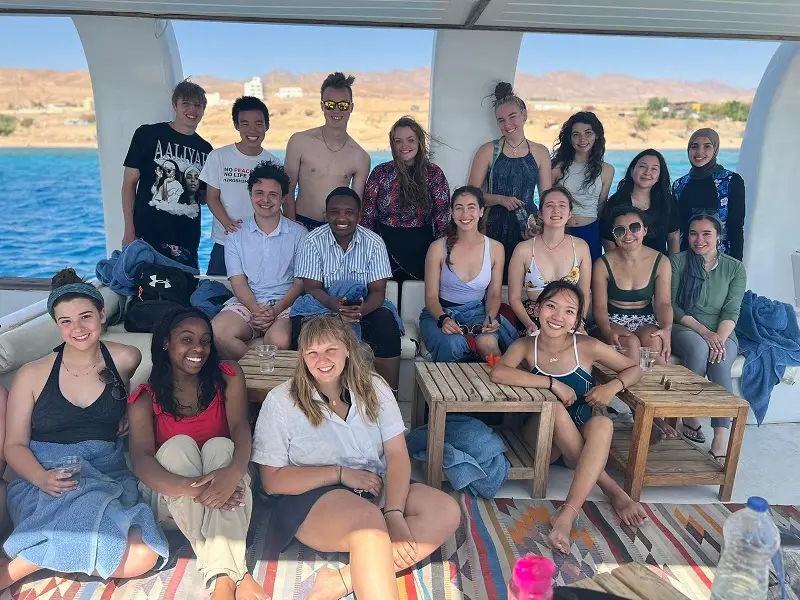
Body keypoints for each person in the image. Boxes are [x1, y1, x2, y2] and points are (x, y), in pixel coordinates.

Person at [252, 316, 461, 600]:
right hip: (313, 498)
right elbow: (272, 481)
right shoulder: (281, 401)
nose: (322, 360)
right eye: (312, 352)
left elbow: (397, 454)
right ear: (302, 357)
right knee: (370, 526)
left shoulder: (374, 387)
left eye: (331, 350)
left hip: (374, 486)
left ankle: (343, 579)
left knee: (445, 510)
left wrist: (394, 512)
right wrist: (340, 473)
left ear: (347, 349)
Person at [2, 269, 168, 590]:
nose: (77, 328)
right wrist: (42, 478)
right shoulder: (32, 375)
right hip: (44, 477)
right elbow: (14, 446)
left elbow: (132, 394)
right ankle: (25, 568)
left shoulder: (125, 358)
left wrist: (125, 410)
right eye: (66, 321)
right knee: (96, 522)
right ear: (57, 325)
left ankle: (30, 560)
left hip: (106, 474)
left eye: (85, 317)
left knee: (145, 553)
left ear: (102, 315)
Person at [490, 282, 646, 553]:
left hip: (580, 446)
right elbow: (499, 373)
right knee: (555, 408)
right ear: (537, 309)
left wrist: (612, 387)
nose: (558, 316)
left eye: (569, 311)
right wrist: (552, 384)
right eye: (551, 306)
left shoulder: (586, 346)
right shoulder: (526, 345)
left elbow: (635, 369)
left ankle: (567, 514)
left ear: (576, 320)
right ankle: (612, 490)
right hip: (544, 442)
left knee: (603, 423)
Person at [127, 307, 266, 600]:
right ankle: (237, 574)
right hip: (171, 500)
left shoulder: (228, 375)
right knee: (177, 447)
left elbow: (240, 427)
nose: (198, 349)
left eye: (205, 341)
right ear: (166, 343)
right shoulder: (145, 397)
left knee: (221, 446)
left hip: (227, 490)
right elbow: (141, 461)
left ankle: (222, 583)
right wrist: (190, 489)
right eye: (187, 340)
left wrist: (233, 473)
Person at [292, 187, 402, 392]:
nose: (342, 218)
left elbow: (378, 291)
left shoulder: (374, 243)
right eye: (335, 212)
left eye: (349, 212)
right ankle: (307, 392)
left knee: (386, 322)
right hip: (324, 304)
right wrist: (331, 304)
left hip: (364, 305)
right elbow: (312, 288)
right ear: (326, 214)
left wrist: (361, 310)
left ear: (359, 215)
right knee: (300, 324)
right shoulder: (312, 241)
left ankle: (388, 394)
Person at [211, 161, 307, 360]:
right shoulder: (235, 235)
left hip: (285, 304)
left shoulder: (299, 234)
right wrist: (255, 309)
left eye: (273, 194)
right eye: (259, 193)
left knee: (279, 340)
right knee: (218, 331)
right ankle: (258, 368)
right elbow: (238, 282)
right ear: (250, 194)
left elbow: (300, 283)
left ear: (283, 198)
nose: (265, 200)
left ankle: (259, 371)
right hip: (248, 302)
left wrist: (276, 309)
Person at [671, 213, 746, 461]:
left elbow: (731, 310)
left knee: (720, 359)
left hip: (723, 329)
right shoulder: (677, 262)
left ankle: (721, 435)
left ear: (718, 236)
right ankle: (690, 415)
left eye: (706, 234)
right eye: (693, 234)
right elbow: (672, 306)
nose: (699, 240)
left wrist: (719, 338)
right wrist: (705, 333)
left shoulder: (734, 267)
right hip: (685, 325)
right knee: (699, 348)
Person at [419, 186, 517, 362]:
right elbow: (431, 298)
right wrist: (444, 319)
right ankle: (449, 381)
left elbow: (494, 294)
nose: (465, 214)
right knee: (453, 344)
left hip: (478, 313)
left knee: (489, 344)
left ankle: (498, 379)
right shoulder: (437, 248)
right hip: (441, 313)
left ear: (481, 211)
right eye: (459, 208)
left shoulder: (495, 248)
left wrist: (490, 317)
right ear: (452, 212)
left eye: (471, 207)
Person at [122, 79, 212, 268]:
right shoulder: (147, 134)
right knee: (141, 286)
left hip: (187, 242)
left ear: (203, 109)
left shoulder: (206, 150)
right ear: (174, 105)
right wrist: (129, 231)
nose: (192, 110)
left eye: (198, 105)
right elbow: (129, 184)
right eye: (185, 103)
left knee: (182, 286)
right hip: (146, 238)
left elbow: (204, 197)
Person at [468, 82, 552, 282]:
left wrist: (539, 227)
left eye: (512, 117)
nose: (507, 124)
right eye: (501, 120)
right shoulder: (488, 151)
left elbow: (547, 198)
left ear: (524, 115)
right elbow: (470, 196)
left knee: (525, 283)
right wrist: (500, 199)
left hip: (527, 229)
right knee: (493, 281)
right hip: (492, 226)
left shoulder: (540, 152)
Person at [360, 116, 451, 282]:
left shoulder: (434, 174)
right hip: (384, 249)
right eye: (398, 141)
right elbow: (367, 218)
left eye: (410, 140)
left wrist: (441, 257)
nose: (404, 146)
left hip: (422, 248)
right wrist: (366, 254)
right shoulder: (380, 173)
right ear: (392, 144)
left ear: (419, 142)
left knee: (415, 295)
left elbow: (442, 220)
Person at [201, 96, 283, 276]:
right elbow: (212, 198)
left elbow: (277, 202)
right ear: (236, 125)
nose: (252, 130)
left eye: (258, 124)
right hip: (224, 242)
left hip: (260, 244)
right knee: (215, 289)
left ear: (267, 126)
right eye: (245, 124)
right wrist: (227, 224)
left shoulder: (274, 162)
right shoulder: (218, 156)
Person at [285, 72, 371, 231]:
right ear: (322, 106)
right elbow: (287, 190)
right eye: (330, 104)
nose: (336, 110)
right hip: (300, 224)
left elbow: (355, 204)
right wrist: (292, 227)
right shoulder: (299, 142)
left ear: (351, 107)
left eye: (343, 105)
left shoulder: (360, 157)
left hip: (336, 229)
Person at [592, 207, 673, 366]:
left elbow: (663, 303)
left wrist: (666, 329)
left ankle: (657, 384)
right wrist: (607, 331)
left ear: (644, 230)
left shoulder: (661, 262)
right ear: (614, 235)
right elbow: (599, 307)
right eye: (620, 230)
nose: (628, 235)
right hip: (611, 320)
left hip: (645, 320)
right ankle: (628, 382)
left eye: (635, 228)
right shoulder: (603, 263)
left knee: (656, 344)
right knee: (630, 344)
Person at [508, 186, 592, 336]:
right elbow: (514, 298)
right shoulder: (523, 250)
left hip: (569, 320)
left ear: (570, 214)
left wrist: (579, 322)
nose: (556, 210)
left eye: (562, 205)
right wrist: (530, 325)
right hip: (534, 319)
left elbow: (584, 292)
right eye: (550, 205)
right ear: (540, 213)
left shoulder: (581, 247)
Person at [551, 112, 615, 263]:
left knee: (590, 276)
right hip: (561, 231)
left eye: (588, 133)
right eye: (576, 134)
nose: (582, 139)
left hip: (590, 232)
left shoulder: (607, 170)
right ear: (569, 138)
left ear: (597, 135)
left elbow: (601, 206)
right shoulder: (556, 167)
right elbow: (547, 201)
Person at [673, 128, 746, 260]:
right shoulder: (679, 185)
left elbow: (736, 227)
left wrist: (737, 264)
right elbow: (676, 230)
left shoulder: (730, 181)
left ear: (715, 149)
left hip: (720, 261)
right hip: (686, 261)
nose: (699, 152)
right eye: (694, 146)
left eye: (707, 146)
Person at [600, 149, 679, 255]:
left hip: (658, 263)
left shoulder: (667, 202)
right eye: (642, 166)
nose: (647, 172)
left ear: (659, 177)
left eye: (654, 169)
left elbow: (673, 237)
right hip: (623, 263)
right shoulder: (615, 202)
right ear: (632, 171)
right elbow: (608, 241)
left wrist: (672, 264)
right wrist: (619, 263)